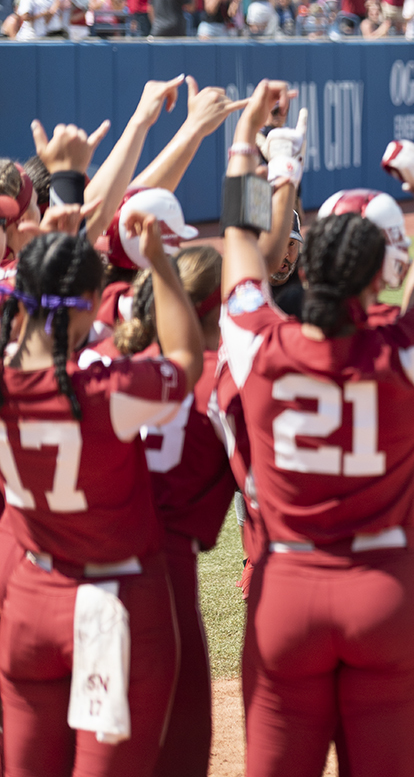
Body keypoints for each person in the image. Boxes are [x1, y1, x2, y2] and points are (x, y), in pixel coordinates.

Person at [222, 79, 414, 777]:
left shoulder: (257, 340)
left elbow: (239, 233)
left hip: (285, 585)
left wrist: (247, 142)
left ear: (305, 260)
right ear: (385, 268)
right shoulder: (408, 345)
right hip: (386, 587)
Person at [0, 125, 204, 777]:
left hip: (29, 596)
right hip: (116, 604)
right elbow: (184, 360)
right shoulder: (108, 388)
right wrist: (164, 266)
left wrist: (48, 234)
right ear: (92, 303)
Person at [88, 247, 234, 777]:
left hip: (78, 570)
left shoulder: (95, 356)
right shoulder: (220, 373)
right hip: (165, 578)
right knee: (178, 756)